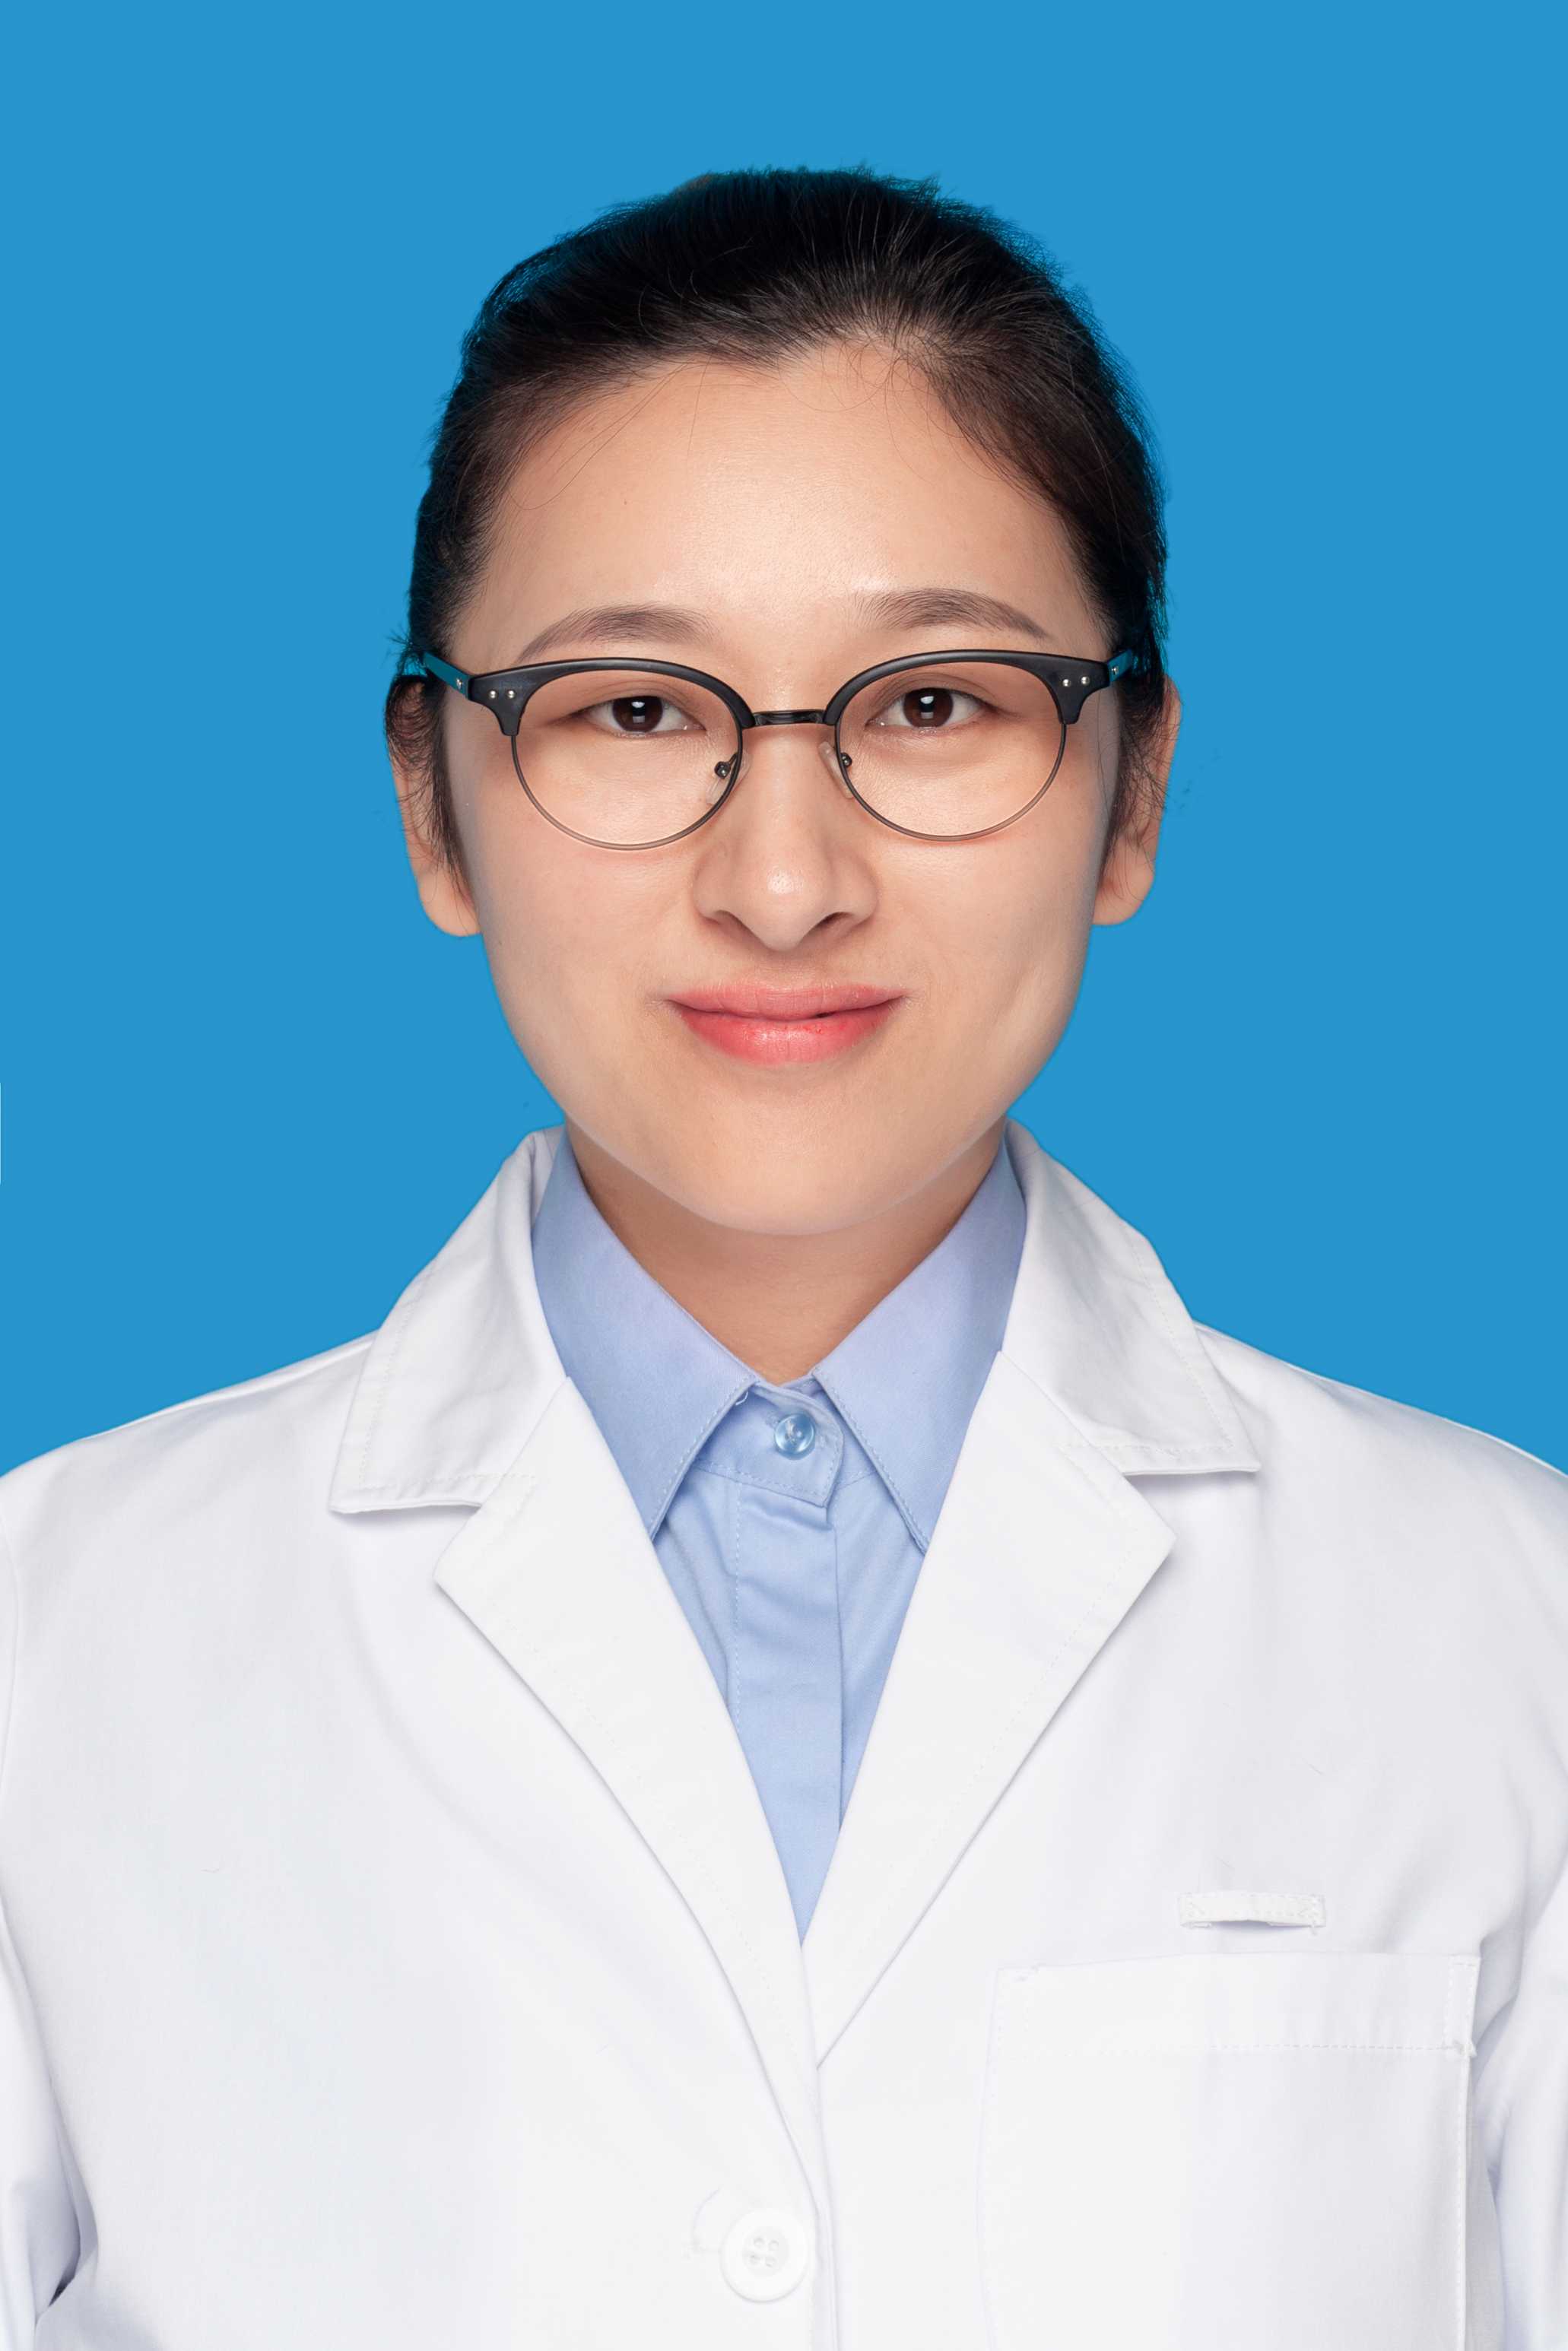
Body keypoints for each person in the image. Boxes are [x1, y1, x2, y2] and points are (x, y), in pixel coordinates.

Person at [1, 164, 1562, 2349]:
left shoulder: (1511, 1633)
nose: (785, 876)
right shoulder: (53, 1649)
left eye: (932, 705)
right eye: (636, 711)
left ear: (1132, 791)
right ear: (434, 804)